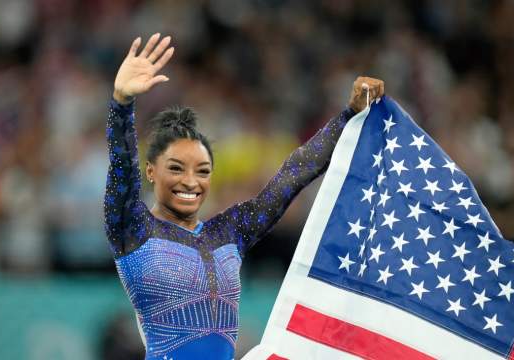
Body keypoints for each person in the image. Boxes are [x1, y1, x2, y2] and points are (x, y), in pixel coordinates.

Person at [104, 33, 383, 360]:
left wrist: (348, 115)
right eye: (176, 168)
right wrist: (122, 104)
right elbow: (121, 163)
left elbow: (292, 176)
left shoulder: (227, 232)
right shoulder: (134, 230)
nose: (190, 181)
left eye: (203, 170)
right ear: (151, 172)